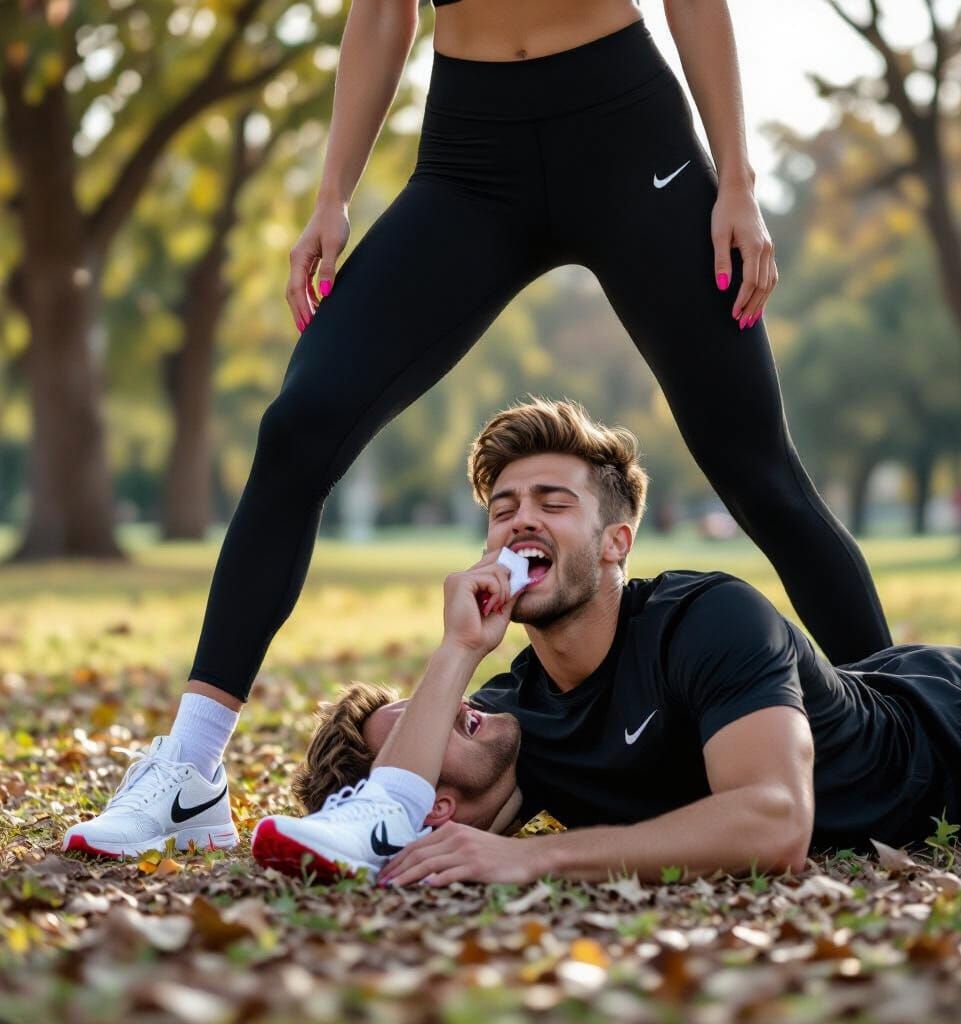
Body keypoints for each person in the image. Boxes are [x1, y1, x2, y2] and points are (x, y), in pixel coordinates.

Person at [62, 0, 893, 858]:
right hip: (472, 153)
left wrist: (737, 181)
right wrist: (332, 194)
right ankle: (191, 770)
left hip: (628, 131)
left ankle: (901, 724)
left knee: (757, 470)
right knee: (299, 428)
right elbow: (381, 14)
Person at [250, 399, 961, 886]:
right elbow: (398, 819)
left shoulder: (710, 617)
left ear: (616, 543)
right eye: (503, 510)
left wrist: (535, 858)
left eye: (552, 503)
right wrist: (456, 652)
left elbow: (777, 825)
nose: (520, 520)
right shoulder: (513, 722)